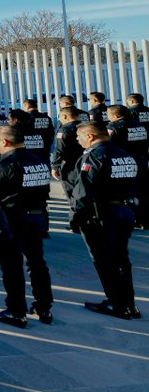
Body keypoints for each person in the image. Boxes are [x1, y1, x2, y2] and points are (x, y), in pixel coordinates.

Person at [0, 125, 53, 328]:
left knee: (12, 267)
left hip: (10, 221)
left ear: (4, 142)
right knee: (36, 262)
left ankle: (16, 310)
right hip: (35, 218)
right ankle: (44, 305)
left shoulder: (2, 165)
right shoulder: (38, 161)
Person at [66, 122, 141, 319]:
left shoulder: (92, 156)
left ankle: (116, 303)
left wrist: (75, 218)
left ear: (89, 136)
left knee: (105, 260)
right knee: (121, 259)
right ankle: (129, 303)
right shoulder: (125, 153)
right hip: (124, 210)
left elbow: (83, 191)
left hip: (101, 215)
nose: (77, 140)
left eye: (79, 136)